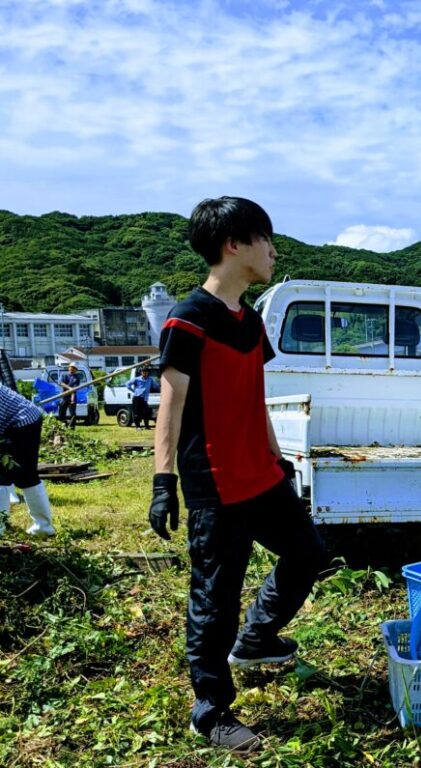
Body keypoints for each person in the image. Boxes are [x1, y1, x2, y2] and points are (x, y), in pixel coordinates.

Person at [149, 197, 326, 753]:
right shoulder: (187, 318)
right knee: (214, 600)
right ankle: (211, 712)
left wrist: (281, 464)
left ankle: (257, 638)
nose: (274, 251)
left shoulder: (251, 324)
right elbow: (170, 406)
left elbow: (257, 401)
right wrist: (163, 482)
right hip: (215, 481)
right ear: (234, 245)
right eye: (265, 239)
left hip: (261, 475)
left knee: (310, 553)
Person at [0, 384, 55, 536]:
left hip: (23, 422)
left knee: (10, 476)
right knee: (25, 476)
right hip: (21, 420)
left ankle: (42, 527)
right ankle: (43, 527)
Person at [57, 363, 83, 428]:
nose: (72, 369)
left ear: (76, 370)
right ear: (69, 368)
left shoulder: (77, 378)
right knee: (61, 413)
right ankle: (63, 426)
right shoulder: (64, 375)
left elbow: (74, 389)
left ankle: (72, 427)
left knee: (73, 414)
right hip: (63, 397)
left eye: (74, 368)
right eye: (71, 367)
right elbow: (61, 383)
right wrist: (70, 388)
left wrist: (72, 399)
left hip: (72, 397)